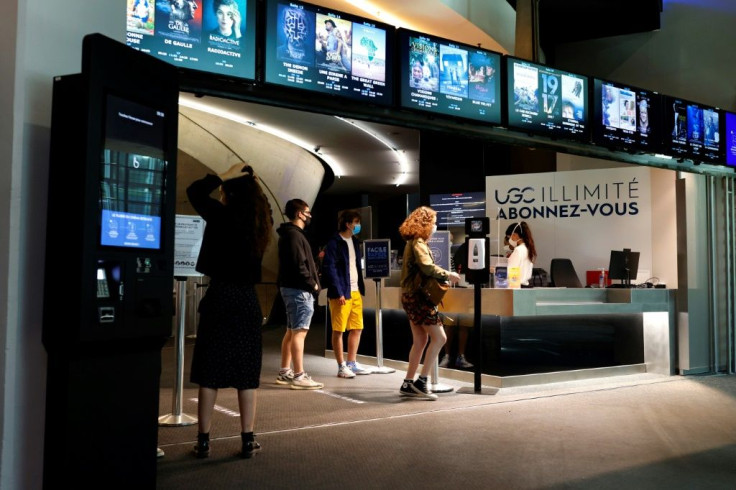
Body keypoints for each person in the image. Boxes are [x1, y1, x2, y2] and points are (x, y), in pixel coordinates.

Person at [186, 162, 273, 459]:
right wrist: (253, 182)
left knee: (210, 372)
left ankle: (204, 441)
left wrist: (223, 175)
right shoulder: (260, 223)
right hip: (247, 301)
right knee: (246, 373)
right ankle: (248, 440)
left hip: (220, 296)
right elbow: (266, 206)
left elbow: (194, 191)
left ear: (228, 191)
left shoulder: (220, 216)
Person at [398, 206, 460, 400]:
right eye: (433, 222)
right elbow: (426, 267)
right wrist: (447, 274)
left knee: (420, 341)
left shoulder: (413, 242)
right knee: (440, 338)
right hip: (418, 298)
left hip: (410, 297)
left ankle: (408, 383)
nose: (435, 226)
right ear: (425, 224)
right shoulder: (418, 242)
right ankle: (421, 382)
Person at [276, 199, 324, 390]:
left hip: (292, 288)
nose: (309, 215)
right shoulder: (294, 236)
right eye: (307, 212)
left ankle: (285, 371)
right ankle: (299, 375)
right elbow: (299, 264)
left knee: (291, 331)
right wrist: (312, 284)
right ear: (299, 214)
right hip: (299, 290)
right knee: (299, 332)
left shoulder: (289, 235)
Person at [322, 210, 371, 378]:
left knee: (357, 327)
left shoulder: (355, 242)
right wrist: (338, 291)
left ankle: (351, 362)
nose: (358, 225)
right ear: (348, 224)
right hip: (341, 292)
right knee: (338, 329)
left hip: (355, 290)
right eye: (356, 222)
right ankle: (341, 365)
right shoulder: (335, 242)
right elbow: (329, 268)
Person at [506, 221, 537, 287]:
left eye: (509, 237)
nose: (509, 240)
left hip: (517, 287)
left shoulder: (518, 250)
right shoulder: (527, 248)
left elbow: (512, 273)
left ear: (515, 235)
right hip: (525, 286)